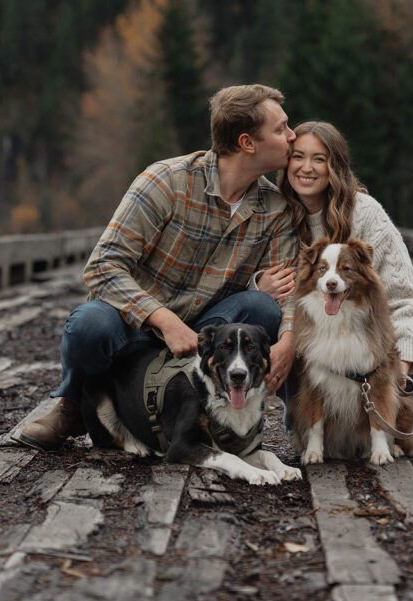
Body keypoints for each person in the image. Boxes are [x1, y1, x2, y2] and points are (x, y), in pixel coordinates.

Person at [16, 84, 298, 451]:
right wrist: (165, 321)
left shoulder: (275, 208)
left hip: (204, 336)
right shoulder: (166, 181)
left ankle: (214, 417)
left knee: (262, 307)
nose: (292, 136)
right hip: (134, 330)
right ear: (247, 143)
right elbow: (102, 267)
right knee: (89, 324)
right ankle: (72, 405)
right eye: (281, 129)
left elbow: (290, 293)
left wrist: (289, 342)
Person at [254, 121, 413, 435]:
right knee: (264, 315)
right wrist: (257, 285)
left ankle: (402, 427)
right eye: (298, 157)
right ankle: (306, 422)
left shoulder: (364, 213)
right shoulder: (270, 210)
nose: (306, 168)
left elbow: (403, 296)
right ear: (286, 161)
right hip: (301, 339)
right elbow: (236, 277)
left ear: (335, 166)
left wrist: (398, 369)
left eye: (319, 159)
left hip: (362, 338)